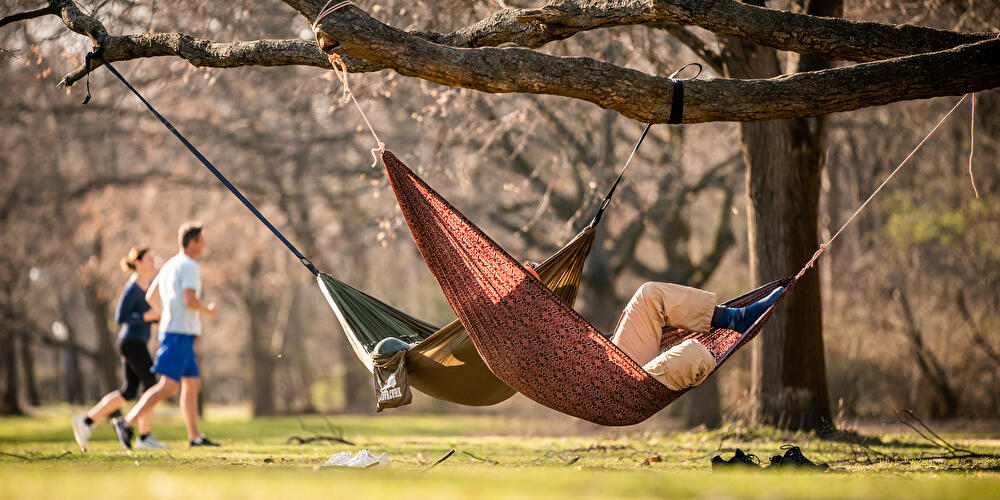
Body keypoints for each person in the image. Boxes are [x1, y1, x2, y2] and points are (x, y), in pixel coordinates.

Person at [112, 222, 220, 449]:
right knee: (169, 386)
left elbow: (151, 296)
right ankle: (127, 422)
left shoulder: (170, 264)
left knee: (192, 384)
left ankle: (195, 438)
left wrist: (166, 313)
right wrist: (208, 311)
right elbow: (190, 300)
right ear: (192, 243)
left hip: (178, 331)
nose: (205, 245)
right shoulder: (189, 266)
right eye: (202, 240)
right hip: (178, 333)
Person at [71, 247, 167, 451]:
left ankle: (86, 421)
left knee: (129, 391)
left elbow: (152, 315)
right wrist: (145, 317)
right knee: (151, 385)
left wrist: (158, 317)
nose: (153, 262)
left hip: (136, 343)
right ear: (138, 262)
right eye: (149, 258)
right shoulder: (132, 288)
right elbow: (120, 318)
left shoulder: (148, 286)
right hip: (130, 343)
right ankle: (144, 436)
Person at [609, 281, 784, 391]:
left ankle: (735, 319)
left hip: (609, 361)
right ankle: (717, 346)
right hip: (616, 388)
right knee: (695, 354)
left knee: (649, 294)